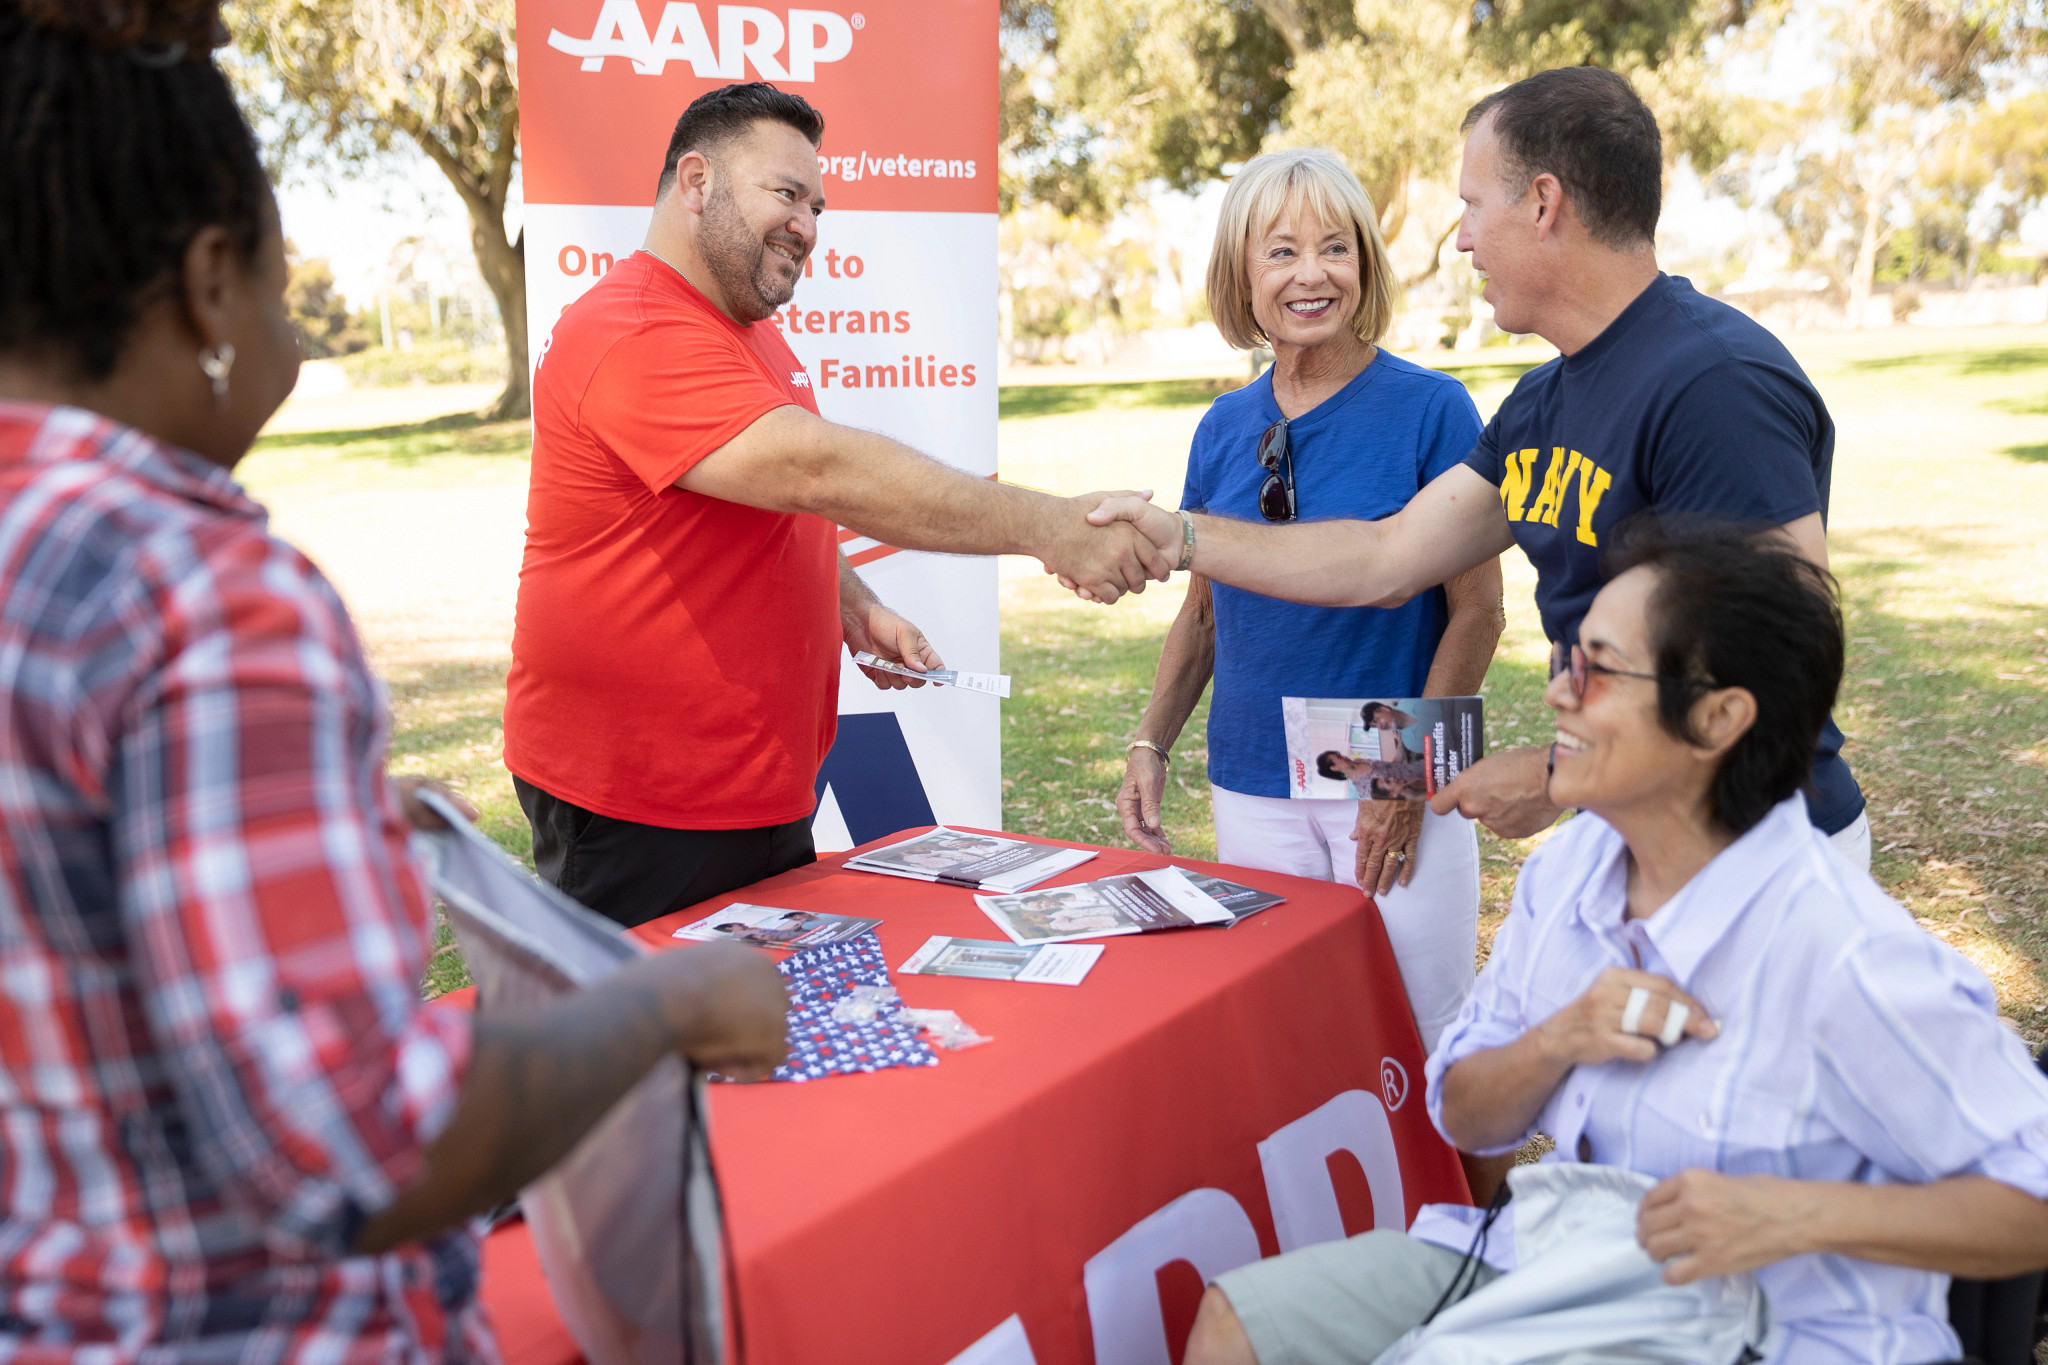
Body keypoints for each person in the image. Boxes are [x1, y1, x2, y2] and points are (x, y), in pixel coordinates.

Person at [0, 4, 789, 1357]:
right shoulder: (204, 592)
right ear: (206, 285)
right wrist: (666, 1004)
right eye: (278, 280)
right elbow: (349, 1142)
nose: (291, 330)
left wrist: (313, 812)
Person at [1185, 522, 2048, 1365]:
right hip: (1562, 1256)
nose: (1558, 692)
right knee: (1242, 1322)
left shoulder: (1846, 952)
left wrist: (1793, 1218)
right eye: (1569, 658)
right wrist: (1559, 1039)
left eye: (1599, 669)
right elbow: (1464, 1113)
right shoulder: (1568, 873)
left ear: (1717, 718)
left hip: (1773, 1323)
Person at [1087, 67, 1870, 868]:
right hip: (1636, 831)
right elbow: (1385, 559)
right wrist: (1179, 536)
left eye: (1471, 205)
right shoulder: (1537, 407)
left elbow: (1783, 665)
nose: (1461, 239)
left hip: (1763, 849)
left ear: (1541, 202)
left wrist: (1559, 773)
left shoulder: (1716, 382)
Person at [509, 81, 1170, 930]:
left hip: (751, 785)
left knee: (751, 1044)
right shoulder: (634, 328)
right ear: (698, 182)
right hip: (640, 805)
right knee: (647, 1052)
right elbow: (817, 470)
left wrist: (853, 604)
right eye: (786, 194)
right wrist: (1050, 529)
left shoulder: (741, 327)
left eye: (817, 206)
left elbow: (764, 501)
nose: (809, 227)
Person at [1115, 149, 1503, 1053]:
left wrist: (1408, 775)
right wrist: (1151, 740)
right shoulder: (1222, 426)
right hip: (1249, 773)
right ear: (1240, 275)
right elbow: (1206, 612)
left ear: (1364, 262)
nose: (1311, 273)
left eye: (1335, 247)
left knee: (1427, 1028)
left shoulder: (1431, 409)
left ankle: (1459, 1201)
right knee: (1295, 1037)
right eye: (1281, 251)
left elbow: (1480, 610)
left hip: (1386, 767)